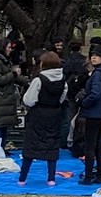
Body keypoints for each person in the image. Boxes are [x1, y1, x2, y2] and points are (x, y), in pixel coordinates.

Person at [19, 51, 66, 185]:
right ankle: (51, 178)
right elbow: (62, 98)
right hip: (54, 114)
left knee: (31, 146)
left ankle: (22, 178)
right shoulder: (63, 79)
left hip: (38, 115)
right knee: (52, 145)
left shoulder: (38, 80)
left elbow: (29, 100)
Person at [78, 40, 101, 184]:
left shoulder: (98, 74)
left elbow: (95, 93)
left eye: (97, 55)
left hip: (94, 112)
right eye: (92, 55)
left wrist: (83, 102)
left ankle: (88, 177)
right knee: (98, 144)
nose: (93, 57)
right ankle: (99, 175)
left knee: (90, 145)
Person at [0, 38, 26, 151]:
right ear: (3, 48)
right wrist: (13, 74)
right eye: (8, 47)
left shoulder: (4, 61)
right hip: (0, 98)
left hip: (6, 99)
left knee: (4, 126)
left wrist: (26, 81)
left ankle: (1, 149)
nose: (10, 50)